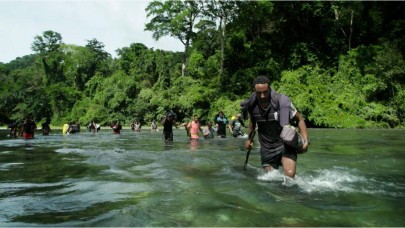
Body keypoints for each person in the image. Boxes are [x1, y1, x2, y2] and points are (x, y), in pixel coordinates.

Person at [244, 75, 309, 178]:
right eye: (259, 93)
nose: (262, 96)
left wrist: (305, 140)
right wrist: (248, 140)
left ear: (269, 88)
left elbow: (300, 119)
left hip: (285, 144)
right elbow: (252, 123)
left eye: (265, 92)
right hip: (266, 147)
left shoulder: (281, 102)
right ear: (254, 91)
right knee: (271, 180)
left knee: (289, 176)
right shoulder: (252, 105)